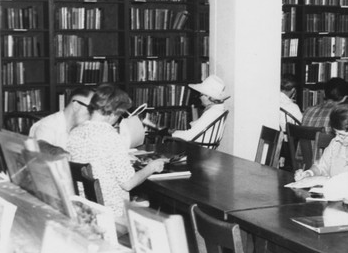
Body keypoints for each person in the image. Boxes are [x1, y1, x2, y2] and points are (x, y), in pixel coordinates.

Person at [66, 83, 164, 218]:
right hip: (112, 216)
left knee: (144, 203)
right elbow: (128, 184)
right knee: (158, 211)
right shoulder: (111, 136)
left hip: (85, 213)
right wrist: (152, 167)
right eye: (120, 114)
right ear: (112, 113)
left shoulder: (74, 133)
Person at [29, 87, 94, 150]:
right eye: (91, 109)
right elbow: (43, 149)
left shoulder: (83, 128)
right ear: (76, 105)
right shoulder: (46, 126)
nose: (94, 115)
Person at [171, 75, 229, 142]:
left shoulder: (212, 112)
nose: (199, 97)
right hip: (203, 147)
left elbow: (189, 136)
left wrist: (171, 133)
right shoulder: (218, 110)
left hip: (198, 148)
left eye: (201, 95)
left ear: (208, 97)